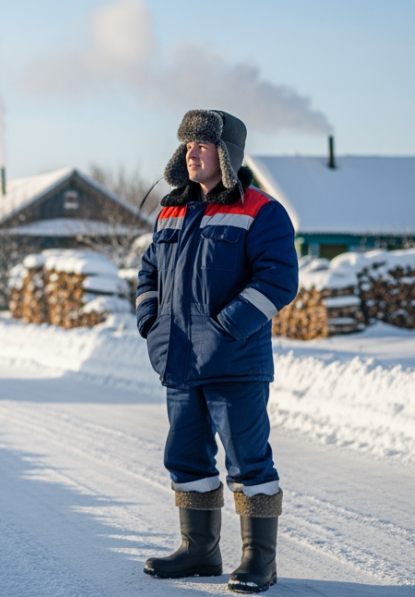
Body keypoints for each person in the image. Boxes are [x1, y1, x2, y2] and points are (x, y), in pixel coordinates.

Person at [135, 109, 298, 593]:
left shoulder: (260, 210)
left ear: (226, 154)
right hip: (179, 362)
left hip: (235, 363)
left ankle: (258, 562)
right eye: (186, 145)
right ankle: (199, 551)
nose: (192, 154)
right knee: (185, 456)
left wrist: (228, 325)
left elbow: (278, 279)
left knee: (249, 461)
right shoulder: (171, 209)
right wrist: (151, 319)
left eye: (201, 145)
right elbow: (149, 272)